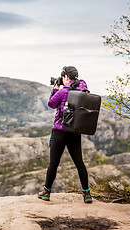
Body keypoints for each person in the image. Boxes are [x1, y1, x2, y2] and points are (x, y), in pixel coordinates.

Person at [38, 66, 92, 203]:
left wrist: (56, 89)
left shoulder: (63, 92)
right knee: (79, 162)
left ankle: (46, 192)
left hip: (60, 131)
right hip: (75, 131)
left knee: (54, 163)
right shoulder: (83, 89)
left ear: (66, 77)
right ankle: (87, 194)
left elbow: (51, 104)